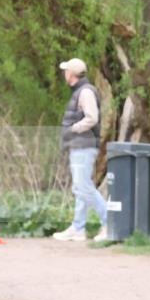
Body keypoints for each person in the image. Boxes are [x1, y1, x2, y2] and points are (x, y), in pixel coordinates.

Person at [53, 57, 109, 242]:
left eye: (66, 71)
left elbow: (91, 118)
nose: (64, 74)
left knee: (83, 187)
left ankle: (110, 222)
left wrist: (73, 129)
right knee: (80, 187)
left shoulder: (85, 92)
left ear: (71, 74)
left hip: (84, 146)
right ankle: (78, 228)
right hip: (80, 146)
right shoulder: (82, 91)